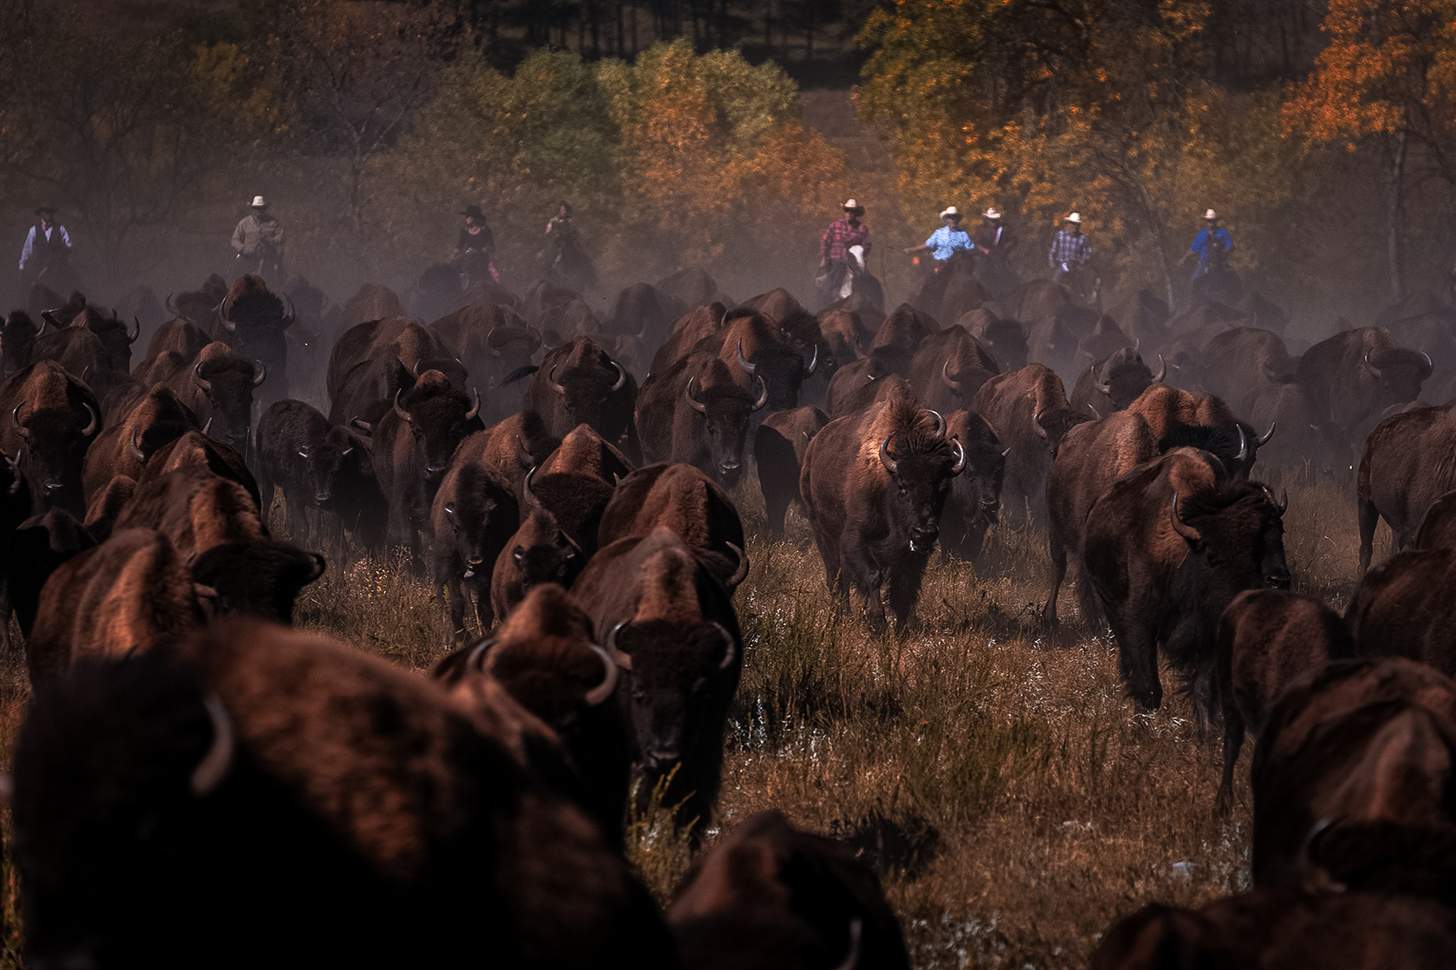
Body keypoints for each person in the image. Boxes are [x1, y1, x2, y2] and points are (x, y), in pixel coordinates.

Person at [817, 198, 871, 305]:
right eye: (847, 210)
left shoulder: (862, 229)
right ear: (844, 212)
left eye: (852, 211)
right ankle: (823, 305)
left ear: (856, 213)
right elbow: (825, 240)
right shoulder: (835, 225)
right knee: (827, 286)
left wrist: (861, 253)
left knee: (866, 285)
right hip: (835, 261)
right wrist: (824, 257)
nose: (849, 213)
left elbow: (867, 245)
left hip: (854, 265)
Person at [231, 195, 285, 283]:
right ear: (252, 209)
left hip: (267, 259)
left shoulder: (273, 223)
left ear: (264, 209)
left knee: (276, 280)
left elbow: (281, 237)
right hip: (248, 258)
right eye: (256, 209)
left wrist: (270, 240)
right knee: (235, 278)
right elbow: (235, 240)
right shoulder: (244, 223)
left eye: (261, 209)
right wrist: (244, 249)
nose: (259, 211)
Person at [1183, 208, 1234, 300]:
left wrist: (1224, 254)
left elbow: (1230, 245)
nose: (1210, 223)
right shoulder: (1202, 234)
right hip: (1204, 262)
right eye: (1209, 221)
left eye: (1212, 221)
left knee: (1233, 278)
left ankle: (1236, 299)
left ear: (1216, 221)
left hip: (1220, 261)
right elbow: (1193, 249)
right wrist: (1183, 259)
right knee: (1194, 282)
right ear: (1206, 222)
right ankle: (1191, 304)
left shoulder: (1223, 232)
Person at [18, 205, 73, 290]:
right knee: (28, 285)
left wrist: (63, 251)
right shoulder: (33, 230)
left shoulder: (60, 228)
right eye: (45, 212)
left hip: (57, 263)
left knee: (70, 281)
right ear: (41, 215)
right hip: (40, 264)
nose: (48, 215)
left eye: (49, 213)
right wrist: (22, 263)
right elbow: (27, 249)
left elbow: (69, 244)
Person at [904, 206, 975, 270]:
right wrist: (912, 249)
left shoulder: (963, 234)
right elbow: (928, 244)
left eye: (954, 217)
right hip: (935, 261)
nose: (953, 220)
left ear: (958, 220)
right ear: (947, 220)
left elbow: (971, 249)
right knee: (918, 263)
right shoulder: (939, 232)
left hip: (952, 266)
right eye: (950, 218)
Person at [456, 204, 498, 288]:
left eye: (468, 217)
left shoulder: (485, 230)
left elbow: (492, 247)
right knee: (459, 273)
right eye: (466, 217)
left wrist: (480, 250)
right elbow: (460, 245)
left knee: (491, 280)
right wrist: (456, 253)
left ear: (474, 218)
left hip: (482, 259)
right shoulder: (464, 231)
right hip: (467, 259)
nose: (466, 219)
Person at [1047, 211, 1092, 285]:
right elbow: (1052, 251)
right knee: (1055, 283)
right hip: (1061, 264)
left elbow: (1087, 253)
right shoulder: (1060, 235)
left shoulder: (1083, 238)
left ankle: (1083, 295)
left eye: (1077, 225)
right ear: (1068, 224)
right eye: (1072, 223)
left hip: (1076, 266)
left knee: (1082, 284)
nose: (1074, 226)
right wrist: (1052, 263)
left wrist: (1081, 263)